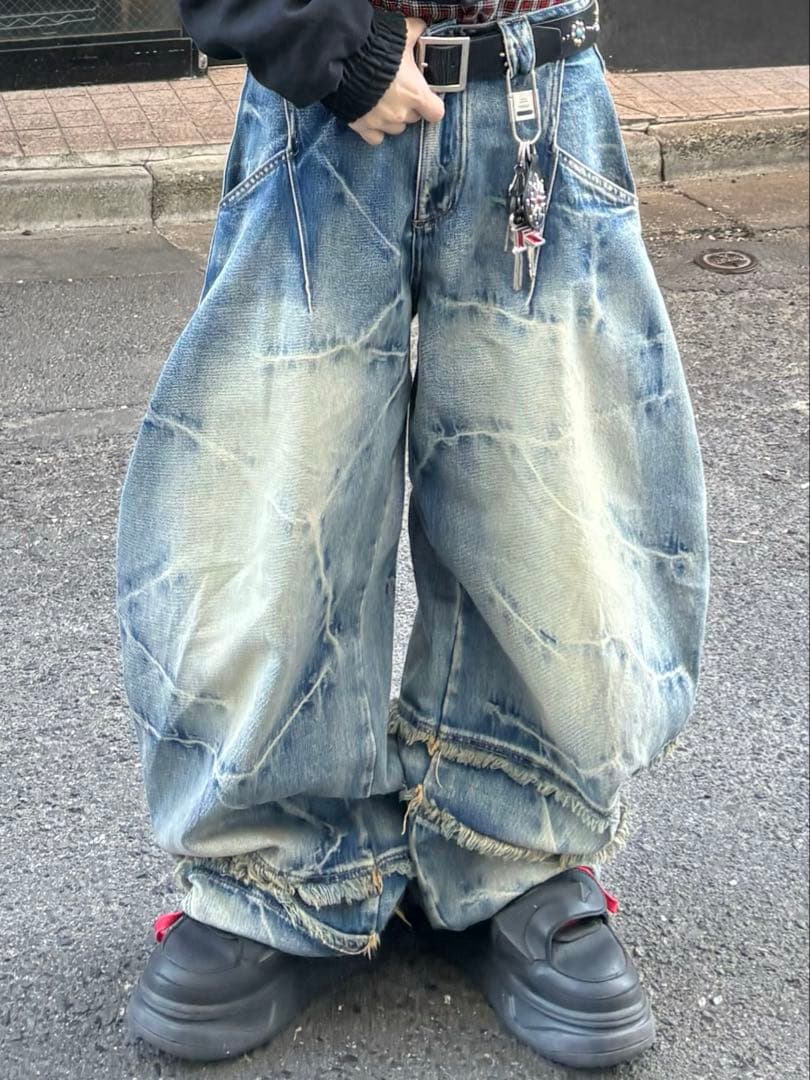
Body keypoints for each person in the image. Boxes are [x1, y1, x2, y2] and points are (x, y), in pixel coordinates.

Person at [115, 0, 710, 1068]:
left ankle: (512, 841)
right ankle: (280, 864)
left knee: (546, 500)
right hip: (322, 113)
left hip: (540, 85)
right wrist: (322, 36)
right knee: (277, 498)